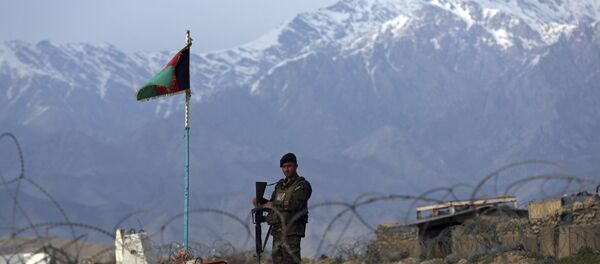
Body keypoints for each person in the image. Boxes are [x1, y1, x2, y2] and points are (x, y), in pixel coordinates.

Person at [253, 153, 312, 264]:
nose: (286, 169)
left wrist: (271, 205)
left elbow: (295, 205)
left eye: (289, 166)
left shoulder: (302, 185)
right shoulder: (280, 186)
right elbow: (272, 205)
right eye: (284, 167)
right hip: (277, 233)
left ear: (296, 166)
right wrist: (261, 202)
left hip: (292, 233)